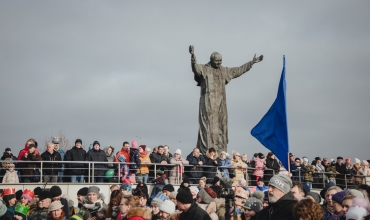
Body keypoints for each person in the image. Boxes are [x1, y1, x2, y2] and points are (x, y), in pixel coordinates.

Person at [189, 45, 263, 155]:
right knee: (208, 126)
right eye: (217, 61)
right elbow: (196, 68)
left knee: (221, 126)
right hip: (207, 101)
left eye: (220, 61)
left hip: (221, 102)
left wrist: (251, 62)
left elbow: (238, 70)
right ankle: (207, 152)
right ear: (211, 60)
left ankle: (221, 152)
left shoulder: (224, 71)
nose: (219, 63)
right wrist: (193, 56)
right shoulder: (204, 68)